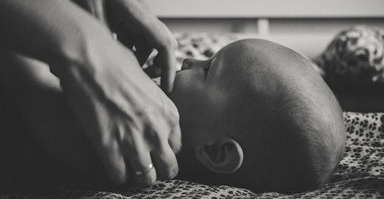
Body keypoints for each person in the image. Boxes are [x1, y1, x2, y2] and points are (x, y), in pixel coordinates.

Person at [0, 39, 345, 193]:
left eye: (209, 70)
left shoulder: (114, 146)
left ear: (216, 152)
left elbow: (24, 68)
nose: (188, 62)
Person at [0, 0, 181, 187]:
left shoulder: (87, 138)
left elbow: (21, 73)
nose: (192, 59)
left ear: (217, 153)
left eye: (209, 70)